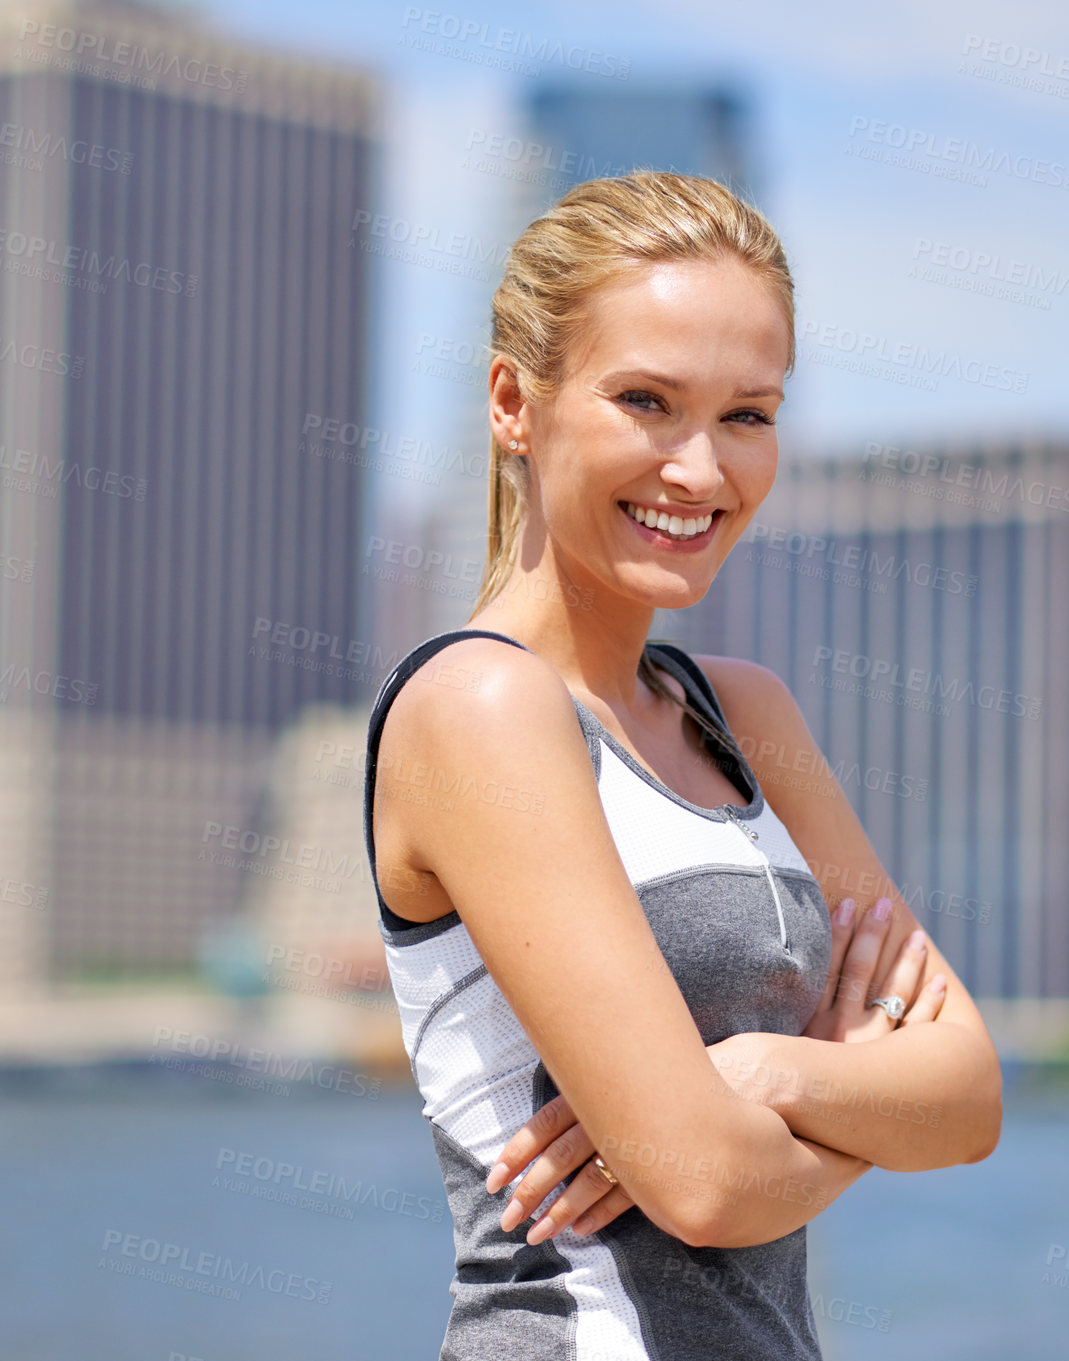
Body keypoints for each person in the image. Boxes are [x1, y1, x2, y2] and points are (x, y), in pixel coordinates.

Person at [362, 169, 1002, 1360]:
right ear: (514, 401)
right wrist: (855, 1086)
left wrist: (763, 1071)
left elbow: (967, 1098)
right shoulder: (480, 706)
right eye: (646, 401)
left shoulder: (746, 712)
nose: (700, 472)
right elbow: (704, 1183)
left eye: (747, 415)